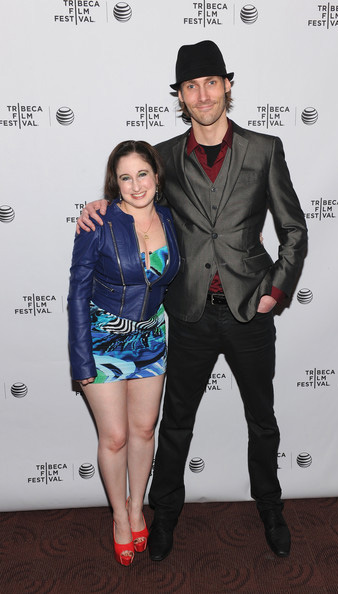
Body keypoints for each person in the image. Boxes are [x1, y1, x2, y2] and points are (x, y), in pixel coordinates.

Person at [77, 40, 308, 562]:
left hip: (250, 310)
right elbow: (132, 196)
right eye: (190, 87)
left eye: (210, 83)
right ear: (180, 97)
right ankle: (163, 517)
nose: (202, 95)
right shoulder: (163, 158)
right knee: (174, 424)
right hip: (185, 316)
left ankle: (270, 507)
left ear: (227, 85)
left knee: (262, 420)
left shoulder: (264, 149)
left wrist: (276, 290)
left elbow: (293, 229)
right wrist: (99, 204)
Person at [68, 140, 180, 566]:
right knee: (114, 437)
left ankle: (138, 509)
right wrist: (80, 360)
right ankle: (119, 517)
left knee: (144, 430)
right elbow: (77, 293)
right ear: (114, 183)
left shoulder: (170, 217)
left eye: (143, 174)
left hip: (151, 336)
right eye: (125, 177)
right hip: (102, 339)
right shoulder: (98, 223)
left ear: (156, 176)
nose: (136, 185)